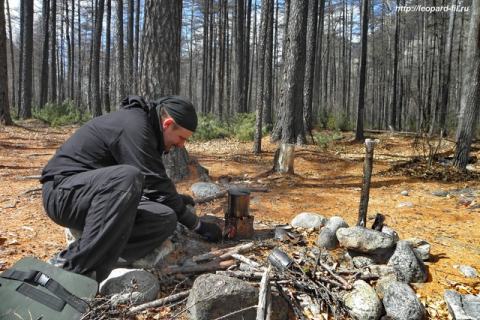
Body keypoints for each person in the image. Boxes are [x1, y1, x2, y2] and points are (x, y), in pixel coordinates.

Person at [40, 95, 222, 283]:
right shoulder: (134, 125)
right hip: (63, 195)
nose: (181, 145)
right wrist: (197, 225)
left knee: (165, 218)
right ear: (167, 123)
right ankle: (71, 265)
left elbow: (154, 183)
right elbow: (154, 183)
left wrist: (174, 202)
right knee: (128, 177)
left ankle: (103, 260)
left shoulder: (146, 127)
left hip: (96, 198)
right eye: (181, 137)